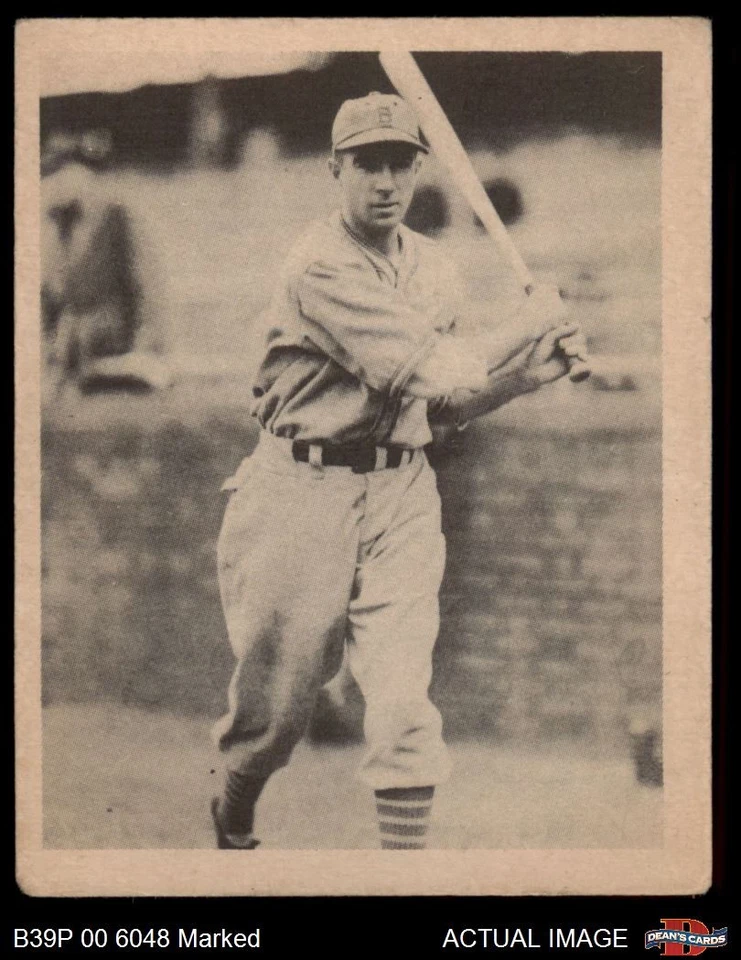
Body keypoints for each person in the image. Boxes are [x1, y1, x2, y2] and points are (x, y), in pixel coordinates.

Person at [210, 92, 587, 850]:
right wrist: (531, 317)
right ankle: (234, 804)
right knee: (276, 719)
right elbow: (433, 365)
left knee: (400, 708)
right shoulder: (317, 265)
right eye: (367, 164)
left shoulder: (434, 271)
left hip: (400, 493)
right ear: (334, 169)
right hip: (297, 491)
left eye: (399, 164)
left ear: (418, 170)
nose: (385, 182)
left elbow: (437, 409)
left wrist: (526, 375)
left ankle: (403, 878)